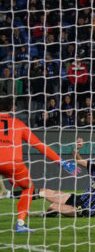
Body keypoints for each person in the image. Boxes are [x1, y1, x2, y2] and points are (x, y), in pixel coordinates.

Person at [0, 95, 77, 233]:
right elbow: (39, 145)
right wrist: (61, 161)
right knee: (28, 187)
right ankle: (20, 223)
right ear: (12, 108)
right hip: (13, 163)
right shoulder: (18, 124)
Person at [34, 140, 95, 217]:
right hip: (80, 199)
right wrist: (76, 149)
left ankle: (50, 214)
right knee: (44, 192)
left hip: (88, 209)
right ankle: (25, 198)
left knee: (53, 207)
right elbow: (78, 160)